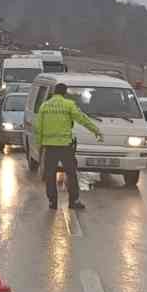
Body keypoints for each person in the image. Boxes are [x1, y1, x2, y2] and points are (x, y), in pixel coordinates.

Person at [35, 82, 104, 210]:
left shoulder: (44, 106)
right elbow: (82, 119)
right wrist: (96, 131)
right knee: (71, 174)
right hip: (65, 146)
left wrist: (40, 144)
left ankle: (52, 202)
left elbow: (38, 127)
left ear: (54, 92)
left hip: (50, 146)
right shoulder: (68, 105)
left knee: (50, 175)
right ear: (65, 93)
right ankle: (73, 201)